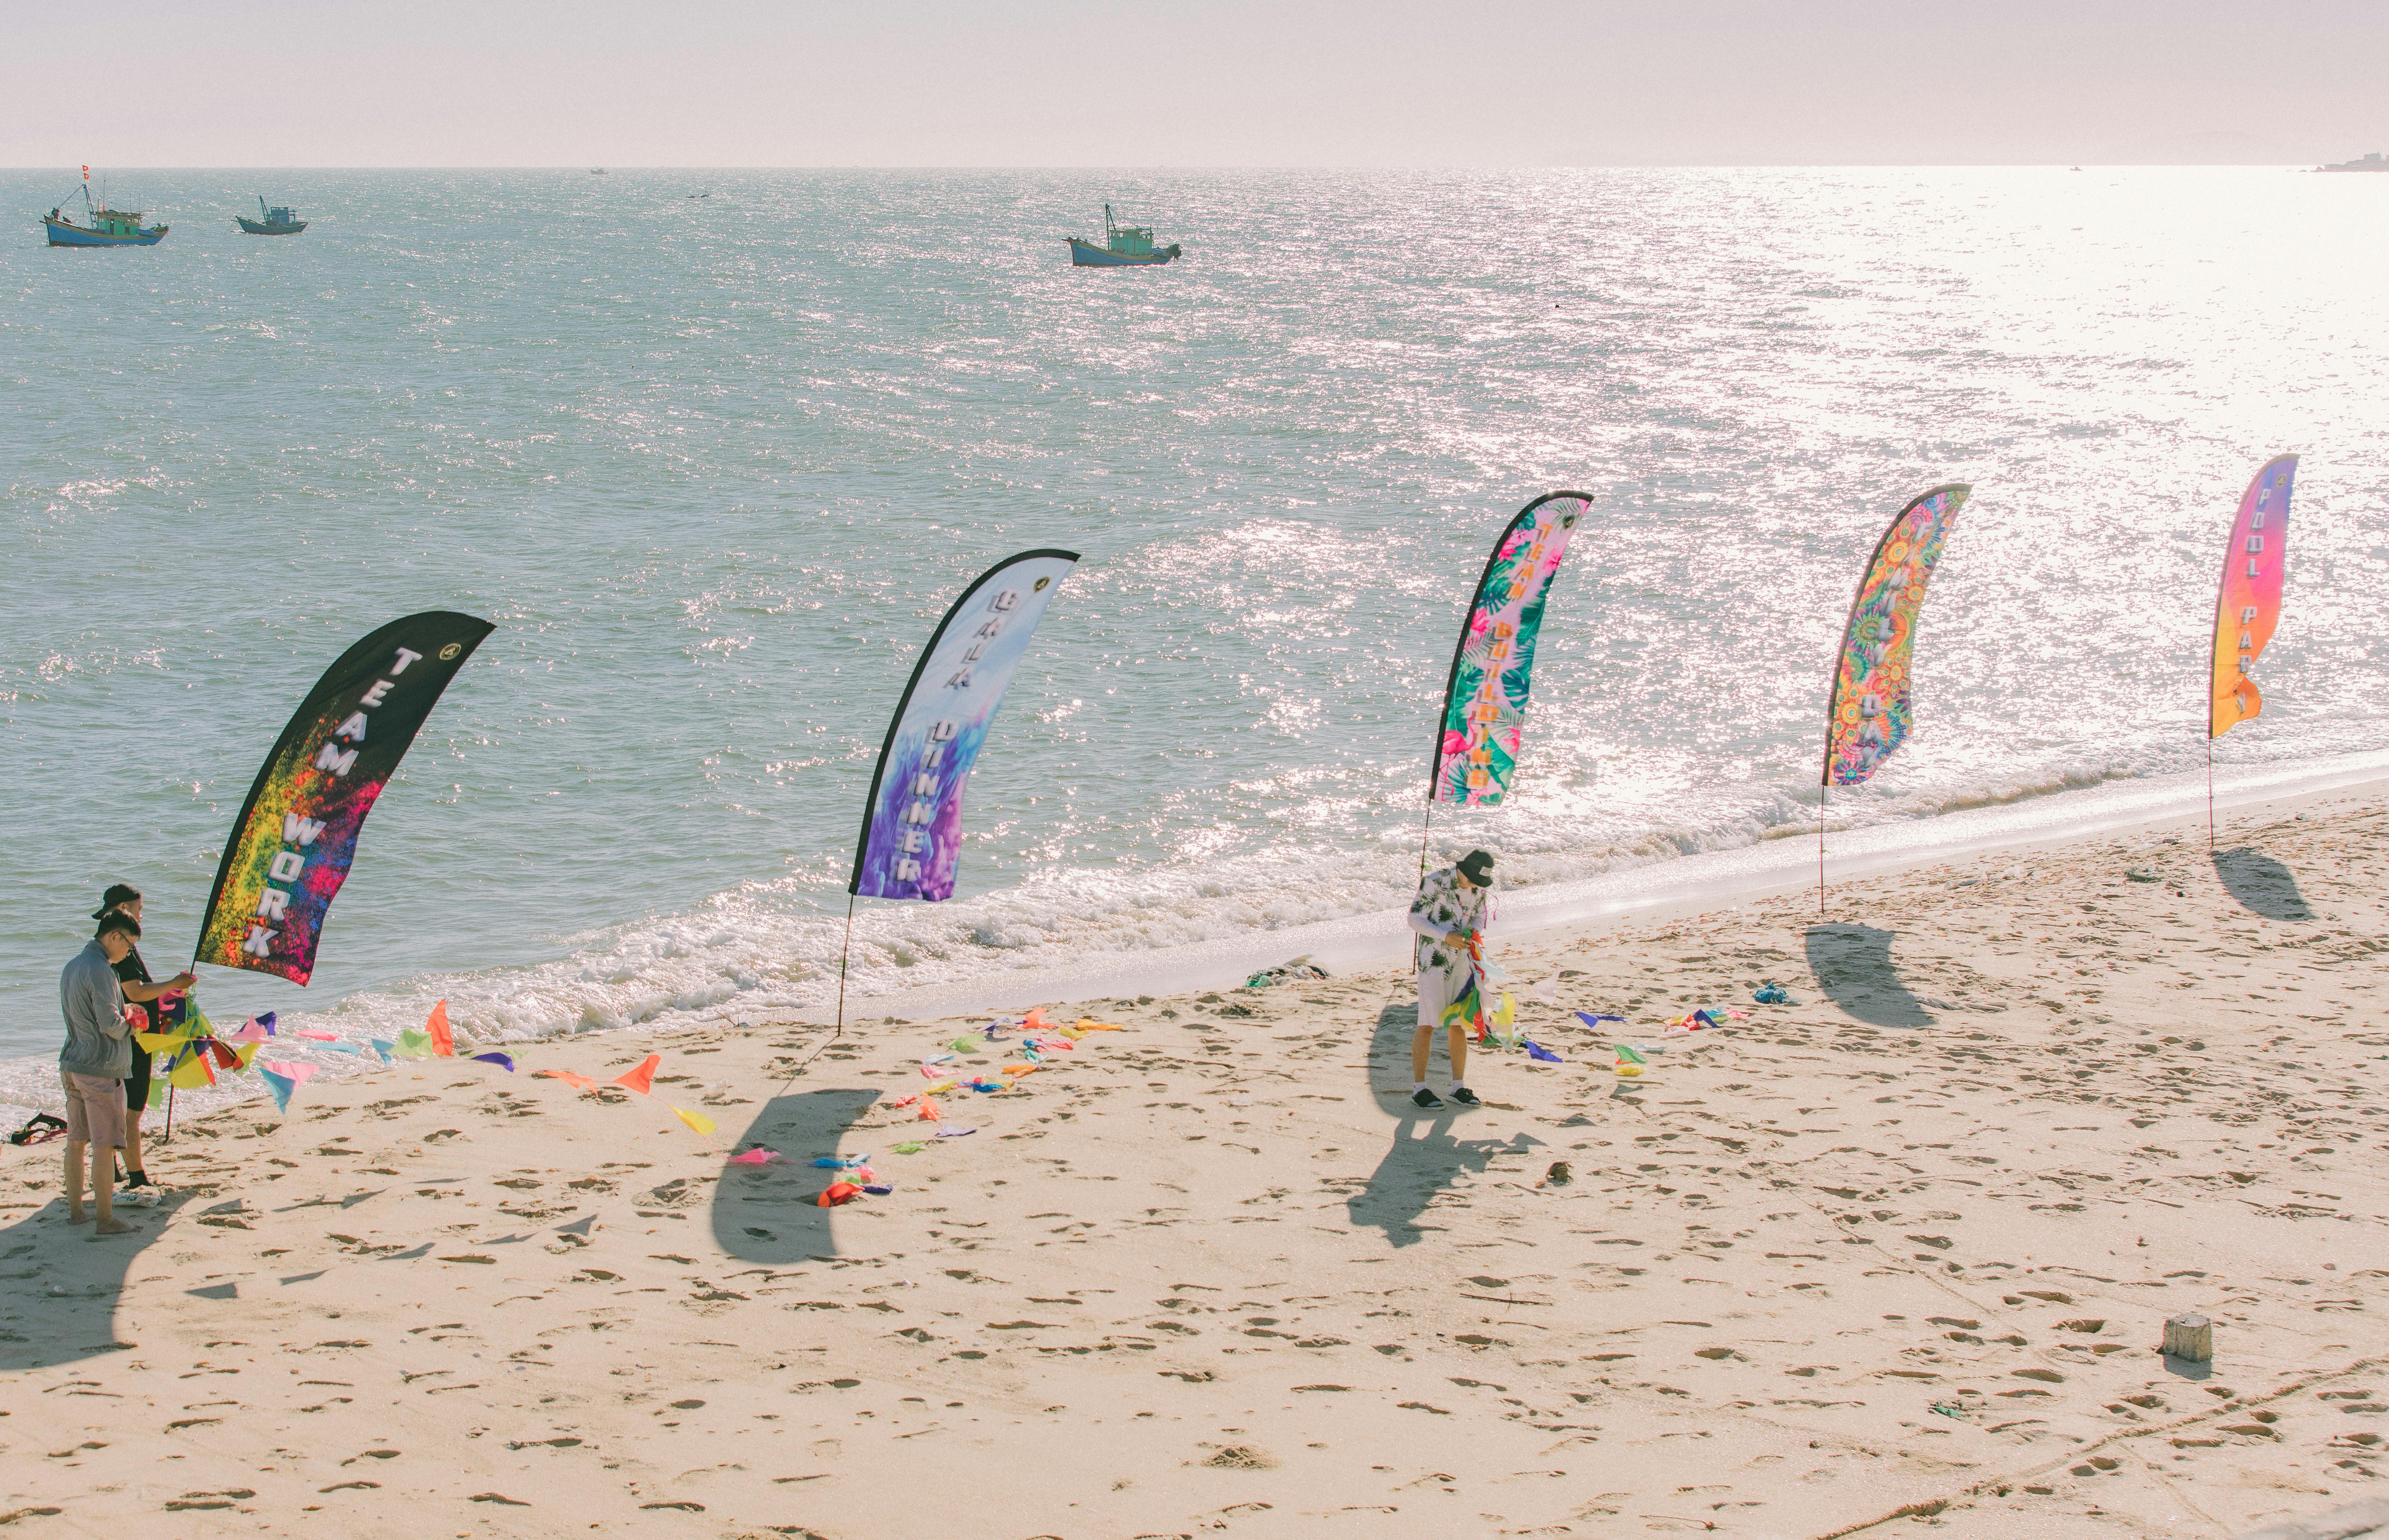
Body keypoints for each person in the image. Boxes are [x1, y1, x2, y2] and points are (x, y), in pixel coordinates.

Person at [93, 884, 194, 1204]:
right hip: (130, 1040)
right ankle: (137, 1177)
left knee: (120, 1107)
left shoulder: (115, 941)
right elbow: (135, 992)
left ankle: (114, 1169)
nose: (142, 914)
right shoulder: (119, 945)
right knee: (132, 1110)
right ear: (124, 907)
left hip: (126, 1036)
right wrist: (173, 986)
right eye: (139, 908)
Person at [60, 910, 145, 1235]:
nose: (129, 953)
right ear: (114, 937)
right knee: (104, 1145)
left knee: (76, 1141)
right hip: (99, 1068)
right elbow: (110, 1026)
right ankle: (106, 1219)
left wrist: (123, 1012)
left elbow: (86, 1014)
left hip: (72, 1062)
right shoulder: (101, 970)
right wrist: (133, 1026)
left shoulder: (73, 966)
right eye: (129, 946)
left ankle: (76, 1212)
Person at [1407, 848, 1496, 1110]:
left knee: (1459, 1023)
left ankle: (1458, 1087)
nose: (1479, 886)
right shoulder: (1435, 882)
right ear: (1464, 871)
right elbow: (1414, 918)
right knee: (1428, 1024)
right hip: (1434, 961)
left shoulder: (1479, 888)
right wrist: (1446, 936)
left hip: (1463, 963)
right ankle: (1419, 1088)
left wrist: (1474, 932)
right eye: (1476, 880)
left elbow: (1480, 915)